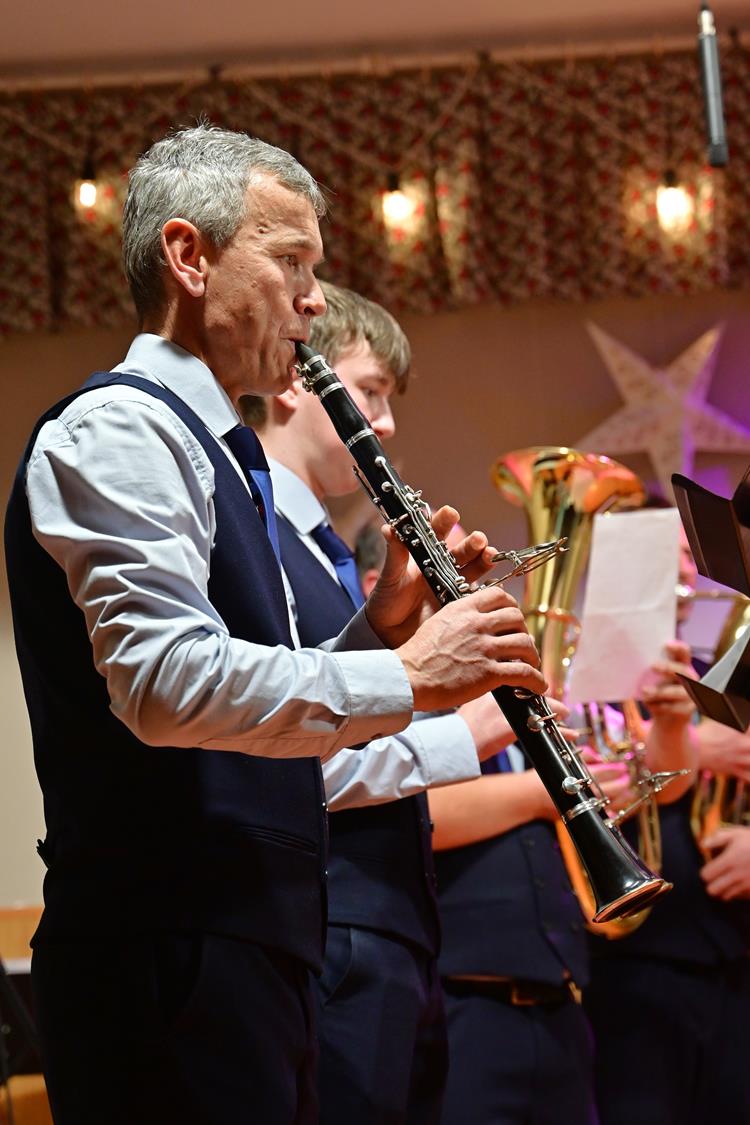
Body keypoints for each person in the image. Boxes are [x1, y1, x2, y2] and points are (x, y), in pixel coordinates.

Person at [3, 124, 546, 1125]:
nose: (313, 298)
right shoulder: (119, 428)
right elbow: (165, 686)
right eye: (291, 260)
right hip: (167, 955)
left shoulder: (219, 453)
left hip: (247, 951)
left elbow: (260, 723)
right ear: (188, 256)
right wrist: (415, 676)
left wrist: (380, 630)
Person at [245, 279, 523, 1124]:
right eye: (370, 392)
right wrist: (466, 733)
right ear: (296, 385)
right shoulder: (255, 539)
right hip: (336, 932)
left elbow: (351, 715)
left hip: (397, 934)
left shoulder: (328, 553)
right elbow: (285, 751)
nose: (387, 424)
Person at [584, 523, 750, 1125]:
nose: (687, 569)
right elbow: (591, 773)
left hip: (732, 951)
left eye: (689, 554)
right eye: (669, 551)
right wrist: (694, 747)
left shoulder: (718, 670)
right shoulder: (590, 666)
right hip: (634, 955)